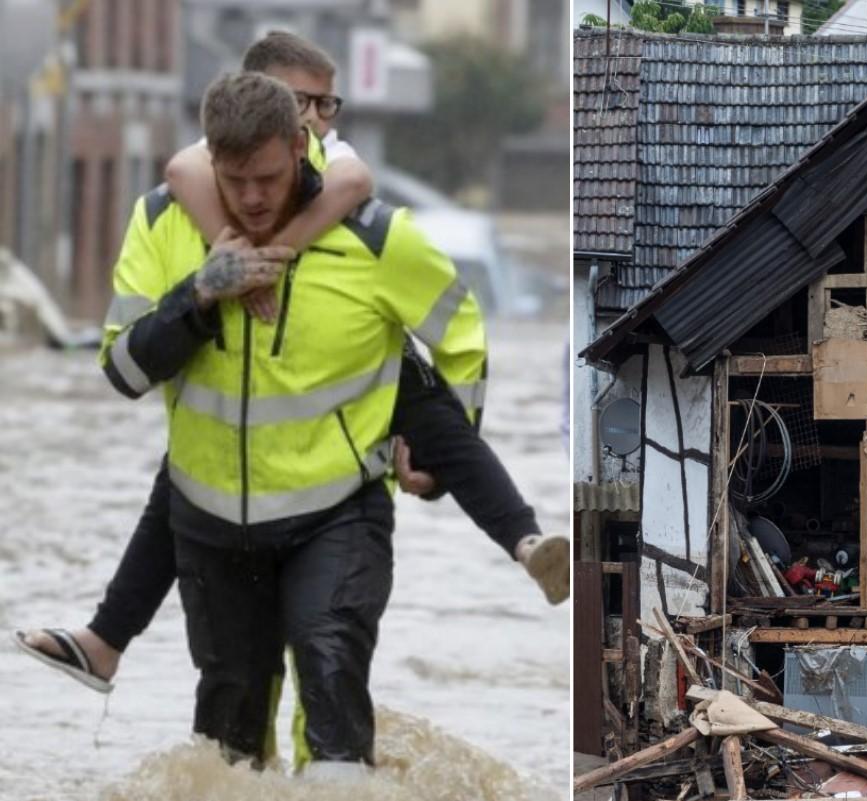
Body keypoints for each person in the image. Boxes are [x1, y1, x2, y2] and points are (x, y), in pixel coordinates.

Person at [14, 32, 567, 699]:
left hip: (344, 424)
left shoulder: (343, 181)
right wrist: (224, 274)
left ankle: (522, 537)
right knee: (185, 487)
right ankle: (110, 637)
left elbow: (353, 193)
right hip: (233, 467)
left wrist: (270, 257)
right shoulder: (199, 175)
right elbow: (186, 173)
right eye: (299, 99)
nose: (314, 116)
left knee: (434, 419)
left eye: (325, 104)